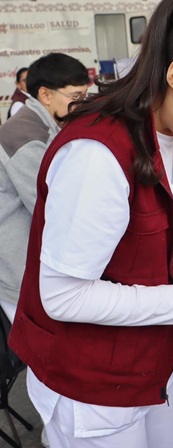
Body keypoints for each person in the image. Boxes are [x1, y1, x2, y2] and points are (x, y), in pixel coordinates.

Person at [8, 1, 173, 447]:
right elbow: (63, 295)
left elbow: (160, 260)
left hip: (153, 366)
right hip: (94, 387)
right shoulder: (97, 154)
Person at [0, 53, 89, 324]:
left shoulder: (46, 124)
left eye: (85, 95)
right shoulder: (24, 136)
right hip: (17, 269)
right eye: (75, 96)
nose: (81, 104)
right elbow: (51, 206)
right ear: (45, 95)